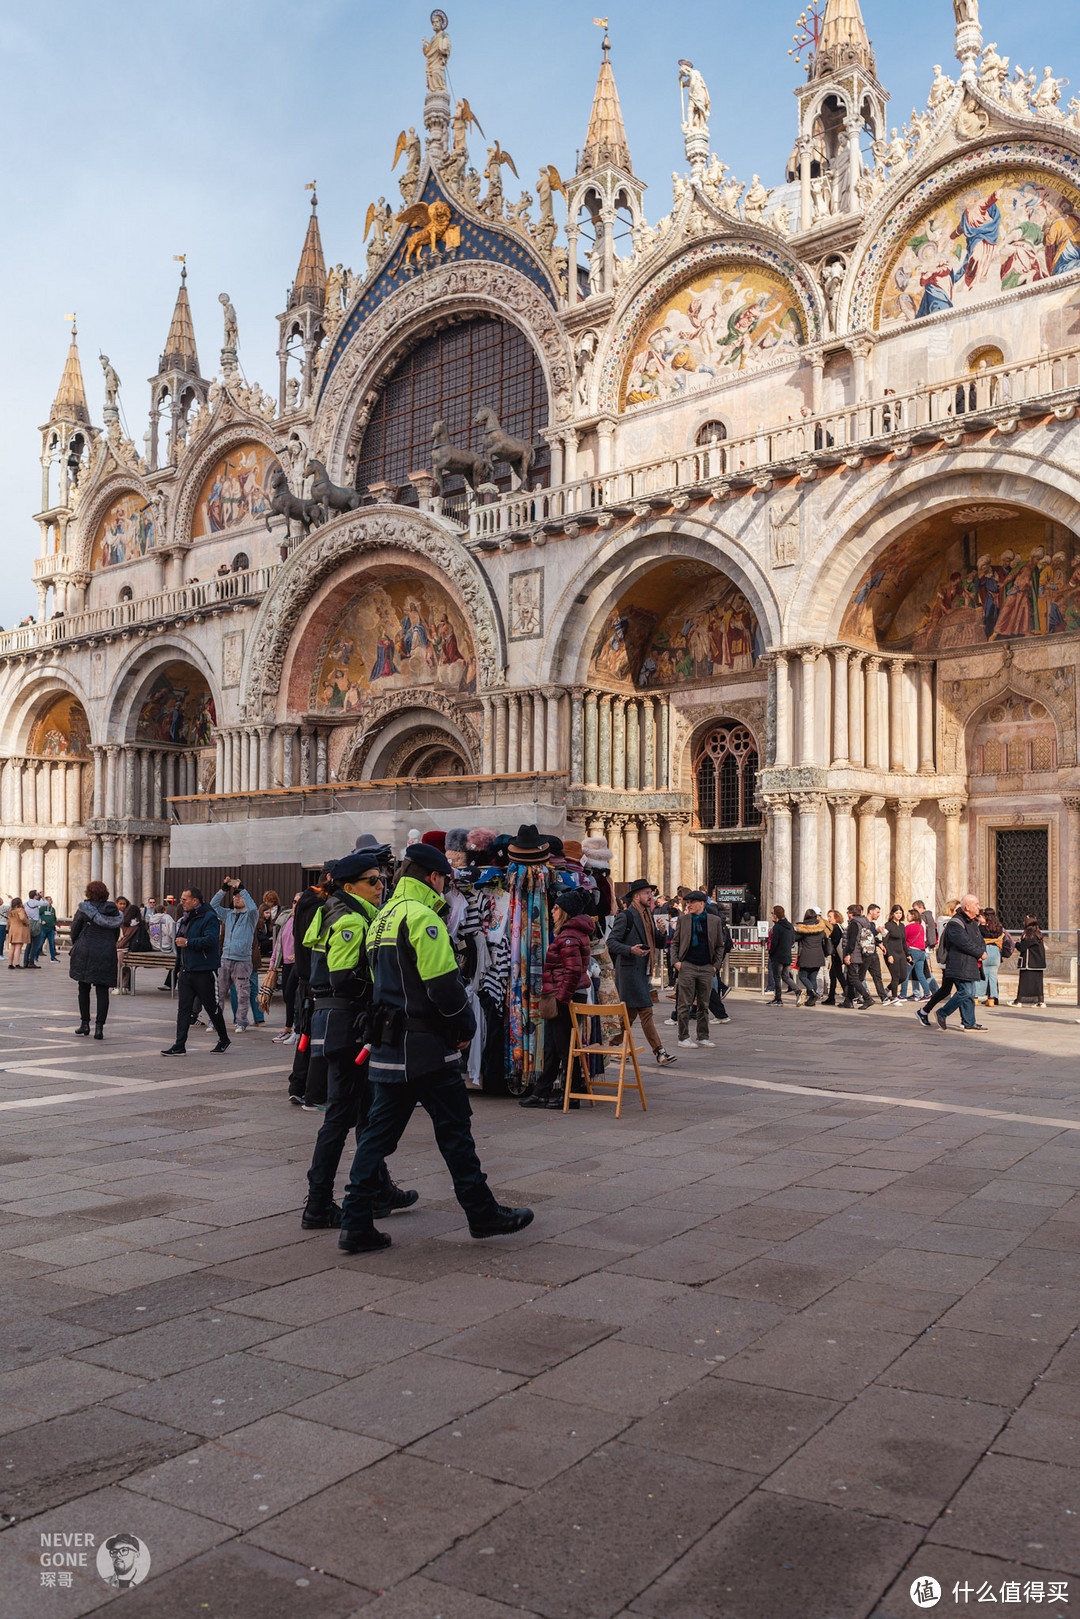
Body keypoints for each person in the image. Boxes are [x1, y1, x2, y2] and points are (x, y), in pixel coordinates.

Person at [337, 842, 533, 1252]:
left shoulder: (383, 917)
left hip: (392, 1045)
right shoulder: (421, 916)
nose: (446, 886)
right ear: (434, 877)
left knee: (376, 1136)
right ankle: (481, 1213)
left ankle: (355, 1221)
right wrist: (463, 1026)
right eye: (444, 878)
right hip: (426, 1045)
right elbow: (444, 985)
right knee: (455, 1130)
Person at [302, 849, 417, 1228]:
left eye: (382, 879)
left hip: (335, 1020)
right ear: (349, 886)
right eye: (373, 881)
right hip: (346, 1024)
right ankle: (318, 1203)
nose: (381, 886)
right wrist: (380, 985)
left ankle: (378, 1188)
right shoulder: (350, 917)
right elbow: (341, 978)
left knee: (367, 1111)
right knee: (341, 1115)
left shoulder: (334, 910)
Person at [523, 889, 595, 1107]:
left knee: (565, 1048)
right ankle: (542, 1091)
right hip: (562, 995)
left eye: (556, 908)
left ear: (565, 912)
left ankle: (570, 1095)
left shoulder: (569, 937)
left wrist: (561, 999)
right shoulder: (568, 934)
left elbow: (573, 972)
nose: (552, 911)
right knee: (553, 1047)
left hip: (565, 997)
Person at [607, 877, 677, 1064]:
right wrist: (630, 949)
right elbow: (611, 943)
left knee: (629, 1015)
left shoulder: (648, 916)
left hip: (643, 971)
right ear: (636, 896)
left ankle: (612, 1045)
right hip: (630, 972)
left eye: (651, 893)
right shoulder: (627, 916)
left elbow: (659, 944)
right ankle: (659, 1052)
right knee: (646, 1010)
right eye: (647, 893)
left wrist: (662, 932)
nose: (651, 896)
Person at [160, 888, 231, 1055]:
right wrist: (178, 969)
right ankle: (179, 1045)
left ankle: (223, 1038)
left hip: (204, 970)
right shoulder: (185, 918)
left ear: (195, 901)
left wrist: (189, 942)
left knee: (211, 1006)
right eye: (181, 898)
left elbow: (211, 940)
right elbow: (180, 946)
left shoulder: (209, 917)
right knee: (183, 1009)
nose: (181, 902)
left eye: (185, 899)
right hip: (186, 970)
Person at [69, 882, 123, 1037]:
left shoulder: (84, 909)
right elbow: (115, 934)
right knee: (102, 990)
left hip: (86, 951)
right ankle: (99, 1028)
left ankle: (84, 1024)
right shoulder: (113, 910)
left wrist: (79, 943)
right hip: (106, 952)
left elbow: (75, 931)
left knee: (84, 988)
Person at [925, 893, 986, 1030]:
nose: (978, 907)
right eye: (976, 905)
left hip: (971, 963)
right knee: (965, 992)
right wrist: (980, 952)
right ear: (967, 907)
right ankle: (942, 1012)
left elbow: (979, 939)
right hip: (960, 963)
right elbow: (963, 942)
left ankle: (969, 1022)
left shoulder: (972, 922)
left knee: (970, 994)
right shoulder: (955, 922)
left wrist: (982, 950)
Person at [672, 890, 726, 1044]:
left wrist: (715, 966)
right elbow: (675, 942)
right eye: (687, 902)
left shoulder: (714, 921)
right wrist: (676, 962)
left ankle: (703, 1036)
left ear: (701, 903)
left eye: (692, 902)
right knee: (684, 1004)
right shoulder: (684, 920)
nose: (688, 905)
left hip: (706, 967)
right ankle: (683, 1037)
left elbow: (719, 946)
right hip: (687, 965)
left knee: (704, 1004)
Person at [211, 879, 258, 1032]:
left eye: (239, 896)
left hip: (242, 960)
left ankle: (242, 1021)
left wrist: (242, 889)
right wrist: (223, 889)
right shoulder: (229, 914)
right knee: (219, 992)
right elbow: (213, 906)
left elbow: (252, 908)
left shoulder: (251, 916)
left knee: (242, 993)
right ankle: (215, 1020)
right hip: (225, 958)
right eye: (235, 896)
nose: (236, 898)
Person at [841, 903, 877, 1009]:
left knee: (853, 978)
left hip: (854, 954)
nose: (847, 914)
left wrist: (848, 954)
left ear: (851, 914)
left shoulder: (854, 923)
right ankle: (848, 1001)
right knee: (849, 978)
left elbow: (852, 941)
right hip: (862, 953)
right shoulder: (865, 923)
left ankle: (867, 998)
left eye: (848, 912)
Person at [794, 909, 832, 1006]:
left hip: (806, 956)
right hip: (818, 956)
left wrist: (795, 930)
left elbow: (795, 938)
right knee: (813, 977)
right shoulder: (820, 929)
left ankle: (813, 993)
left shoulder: (803, 929)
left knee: (802, 975)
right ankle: (811, 1001)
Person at [767, 904, 797, 1006]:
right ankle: (798, 991)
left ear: (775, 915)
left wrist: (771, 952)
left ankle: (778, 999)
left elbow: (774, 943)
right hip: (787, 954)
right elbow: (793, 940)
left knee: (777, 977)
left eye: (772, 913)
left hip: (777, 956)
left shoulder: (777, 927)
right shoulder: (789, 926)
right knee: (785, 976)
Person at [1014, 916, 1046, 1006]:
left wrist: (1017, 943)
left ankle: (1019, 1000)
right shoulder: (1038, 933)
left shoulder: (1029, 934)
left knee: (1024, 982)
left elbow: (1022, 947)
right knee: (1037, 983)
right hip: (1038, 963)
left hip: (1029, 962)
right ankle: (1040, 1001)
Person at [977, 907, 1006, 1006]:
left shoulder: (981, 928)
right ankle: (992, 999)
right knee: (993, 977)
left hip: (984, 950)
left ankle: (976, 998)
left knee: (981, 975)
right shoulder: (998, 927)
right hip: (995, 951)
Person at [862, 904, 891, 1003]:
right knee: (860, 977)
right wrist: (876, 931)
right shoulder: (863, 923)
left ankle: (883, 997)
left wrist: (879, 944)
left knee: (877, 976)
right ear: (871, 911)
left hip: (873, 953)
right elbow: (866, 935)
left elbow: (873, 938)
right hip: (864, 954)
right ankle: (854, 996)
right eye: (877, 912)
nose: (878, 915)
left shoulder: (873, 924)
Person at [883, 905, 911, 1002]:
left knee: (903, 976)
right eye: (896, 913)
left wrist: (908, 954)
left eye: (900, 913)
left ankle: (887, 989)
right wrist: (889, 955)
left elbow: (904, 942)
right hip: (891, 954)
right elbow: (885, 941)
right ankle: (894, 997)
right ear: (893, 914)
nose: (899, 915)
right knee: (895, 976)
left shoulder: (902, 926)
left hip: (901, 954)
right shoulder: (887, 925)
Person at [822, 909, 845, 1005]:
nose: (829, 919)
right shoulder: (840, 927)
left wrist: (832, 949)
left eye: (830, 917)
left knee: (839, 976)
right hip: (837, 955)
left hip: (836, 955)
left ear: (836, 918)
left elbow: (836, 941)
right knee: (833, 976)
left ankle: (850, 995)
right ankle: (831, 997)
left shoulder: (836, 928)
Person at [5, 898, 31, 969]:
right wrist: (27, 922)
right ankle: (17, 964)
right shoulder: (20, 910)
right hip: (19, 930)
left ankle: (10, 964)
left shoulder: (10, 911)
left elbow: (8, 922)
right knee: (18, 947)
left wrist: (7, 929)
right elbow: (22, 918)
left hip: (12, 930)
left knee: (12, 948)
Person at [38, 896, 57, 962]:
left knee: (51, 944)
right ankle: (35, 957)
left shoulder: (53, 909)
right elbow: (38, 914)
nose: (51, 900)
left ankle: (53, 958)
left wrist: (54, 926)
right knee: (40, 943)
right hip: (43, 928)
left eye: (51, 899)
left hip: (51, 929)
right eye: (49, 899)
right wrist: (41, 921)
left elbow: (54, 918)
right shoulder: (42, 908)